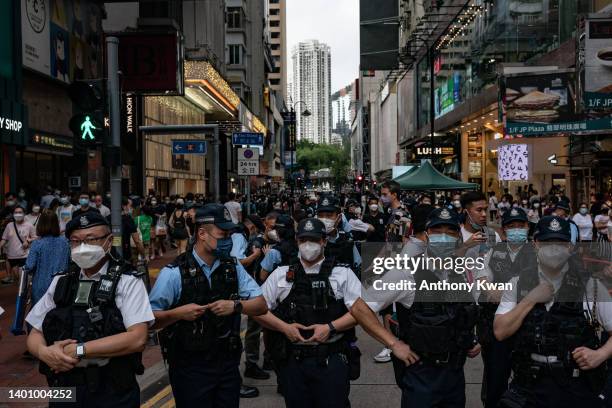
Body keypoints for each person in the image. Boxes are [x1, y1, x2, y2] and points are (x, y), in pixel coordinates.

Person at [350, 208, 481, 408]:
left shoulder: (459, 270)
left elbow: (462, 312)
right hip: (422, 374)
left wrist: (472, 339)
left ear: (458, 237)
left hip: (455, 373)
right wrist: (393, 344)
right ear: (427, 234)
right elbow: (360, 308)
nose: (444, 237)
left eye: (451, 232)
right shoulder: (407, 272)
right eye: (438, 231)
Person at [25, 212, 154, 407]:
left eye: (91, 239)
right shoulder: (62, 281)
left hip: (111, 389)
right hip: (64, 388)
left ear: (109, 241)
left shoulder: (127, 281)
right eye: (75, 241)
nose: (82, 247)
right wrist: (44, 353)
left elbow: (137, 338)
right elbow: (35, 332)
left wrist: (78, 350)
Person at [149, 204, 267, 408]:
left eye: (230, 234)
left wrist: (236, 306)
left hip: (227, 365)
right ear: (202, 234)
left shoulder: (232, 266)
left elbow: (260, 304)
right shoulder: (174, 273)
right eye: (223, 234)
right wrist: (178, 314)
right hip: (189, 367)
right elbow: (149, 320)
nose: (227, 240)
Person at [494, 216, 612, 408]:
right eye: (548, 242)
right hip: (529, 387)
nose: (554, 248)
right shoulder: (518, 283)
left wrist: (600, 354)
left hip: (575, 388)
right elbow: (500, 331)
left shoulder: (589, 286)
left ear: (570, 247)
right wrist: (530, 299)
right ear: (536, 244)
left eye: (560, 242)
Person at [256, 218, 361, 408]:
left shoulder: (342, 274)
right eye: (303, 240)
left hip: (332, 357)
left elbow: (362, 312)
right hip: (293, 360)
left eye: (313, 240)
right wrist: (284, 328)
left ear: (324, 241)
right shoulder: (281, 274)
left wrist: (330, 327)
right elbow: (257, 310)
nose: (308, 245)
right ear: (297, 241)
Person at [475, 208, 533, 408]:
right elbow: (482, 280)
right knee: (495, 380)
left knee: (529, 381)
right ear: (503, 231)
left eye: (521, 225)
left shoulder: (538, 251)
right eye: (511, 226)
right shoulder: (493, 251)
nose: (516, 229)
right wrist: (496, 292)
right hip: (496, 328)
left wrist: (504, 293)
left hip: (529, 328)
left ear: (528, 227)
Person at [24, 210, 70, 308]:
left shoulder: (37, 243)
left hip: (41, 286)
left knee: (39, 317)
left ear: (40, 224)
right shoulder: (65, 242)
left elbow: (29, 266)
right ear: (56, 224)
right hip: (61, 286)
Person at [316, 196, 361, 272]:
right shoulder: (310, 241)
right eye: (320, 216)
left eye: (329, 215)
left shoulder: (347, 242)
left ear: (339, 218)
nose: (324, 219)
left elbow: (358, 267)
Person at [0, 206, 36, 284]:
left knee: (22, 280)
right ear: (13, 214)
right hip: (12, 256)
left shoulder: (29, 225)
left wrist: (28, 241)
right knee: (18, 278)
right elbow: (4, 239)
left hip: (24, 255)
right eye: (16, 213)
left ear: (24, 214)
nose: (18, 214)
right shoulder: (9, 225)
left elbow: (36, 237)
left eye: (20, 212)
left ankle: (24, 295)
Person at [259, 213, 298, 282]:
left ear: (278, 232)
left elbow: (262, 277)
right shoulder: (299, 245)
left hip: (278, 287)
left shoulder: (273, 252)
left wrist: (268, 256)